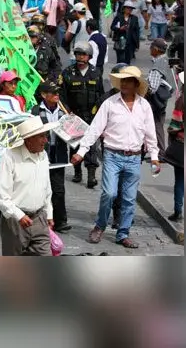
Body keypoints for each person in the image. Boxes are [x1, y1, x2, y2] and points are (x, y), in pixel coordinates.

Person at [72, 66, 159, 249]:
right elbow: (95, 129)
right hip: (112, 155)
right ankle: (100, 225)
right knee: (109, 193)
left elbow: (150, 134)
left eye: (128, 81)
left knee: (129, 198)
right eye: (123, 81)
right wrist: (81, 152)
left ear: (136, 84)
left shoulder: (144, 107)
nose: (124, 84)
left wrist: (154, 156)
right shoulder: (110, 103)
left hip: (134, 157)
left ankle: (123, 233)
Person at [0, 116, 58, 256]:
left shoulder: (43, 155)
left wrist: (49, 213)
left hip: (39, 217)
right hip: (16, 221)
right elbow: (0, 194)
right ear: (29, 139)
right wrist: (19, 215)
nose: (45, 141)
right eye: (41, 136)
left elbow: (46, 188)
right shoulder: (10, 157)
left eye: (45, 136)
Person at [60, 42, 106, 188]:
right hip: (74, 115)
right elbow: (62, 96)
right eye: (78, 54)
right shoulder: (67, 73)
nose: (80, 57)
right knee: (75, 145)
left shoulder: (96, 73)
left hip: (91, 116)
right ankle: (77, 171)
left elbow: (101, 95)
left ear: (89, 57)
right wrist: (67, 111)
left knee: (91, 146)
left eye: (83, 54)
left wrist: (98, 112)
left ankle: (91, 176)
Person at [36, 83, 71, 233]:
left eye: (58, 92)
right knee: (39, 188)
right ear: (44, 95)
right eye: (53, 92)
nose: (57, 95)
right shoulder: (36, 111)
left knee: (58, 189)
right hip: (40, 155)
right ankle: (39, 219)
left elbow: (73, 134)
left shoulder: (64, 112)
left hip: (59, 155)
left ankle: (60, 221)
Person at [145, 38, 175, 153]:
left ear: (156, 49)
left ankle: (160, 152)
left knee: (156, 125)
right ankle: (158, 151)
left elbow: (152, 88)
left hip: (155, 101)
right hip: (163, 99)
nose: (150, 49)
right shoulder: (165, 61)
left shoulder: (157, 65)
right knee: (158, 124)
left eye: (151, 47)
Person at [163, 77, 184, 221]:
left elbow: (176, 125)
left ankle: (178, 210)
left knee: (180, 180)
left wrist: (171, 132)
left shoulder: (182, 101)